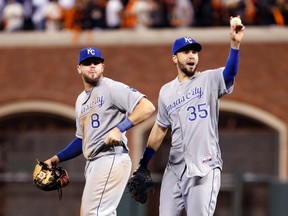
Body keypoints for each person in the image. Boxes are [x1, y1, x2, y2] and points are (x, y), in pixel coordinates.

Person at [136, 16, 245, 215]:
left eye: (194, 52)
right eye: (186, 52)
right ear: (174, 58)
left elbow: (229, 73)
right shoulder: (166, 91)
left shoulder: (208, 79)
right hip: (175, 170)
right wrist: (144, 163)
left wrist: (234, 45)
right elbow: (160, 128)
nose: (191, 55)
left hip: (204, 167)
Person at [44, 47, 155, 216]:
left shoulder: (112, 87)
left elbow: (147, 107)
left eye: (96, 62)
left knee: (92, 213)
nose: (92, 66)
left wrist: (120, 128)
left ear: (102, 67)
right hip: (95, 162)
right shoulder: (80, 100)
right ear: (79, 68)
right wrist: (57, 158)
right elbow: (82, 139)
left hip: (111, 157)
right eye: (87, 63)